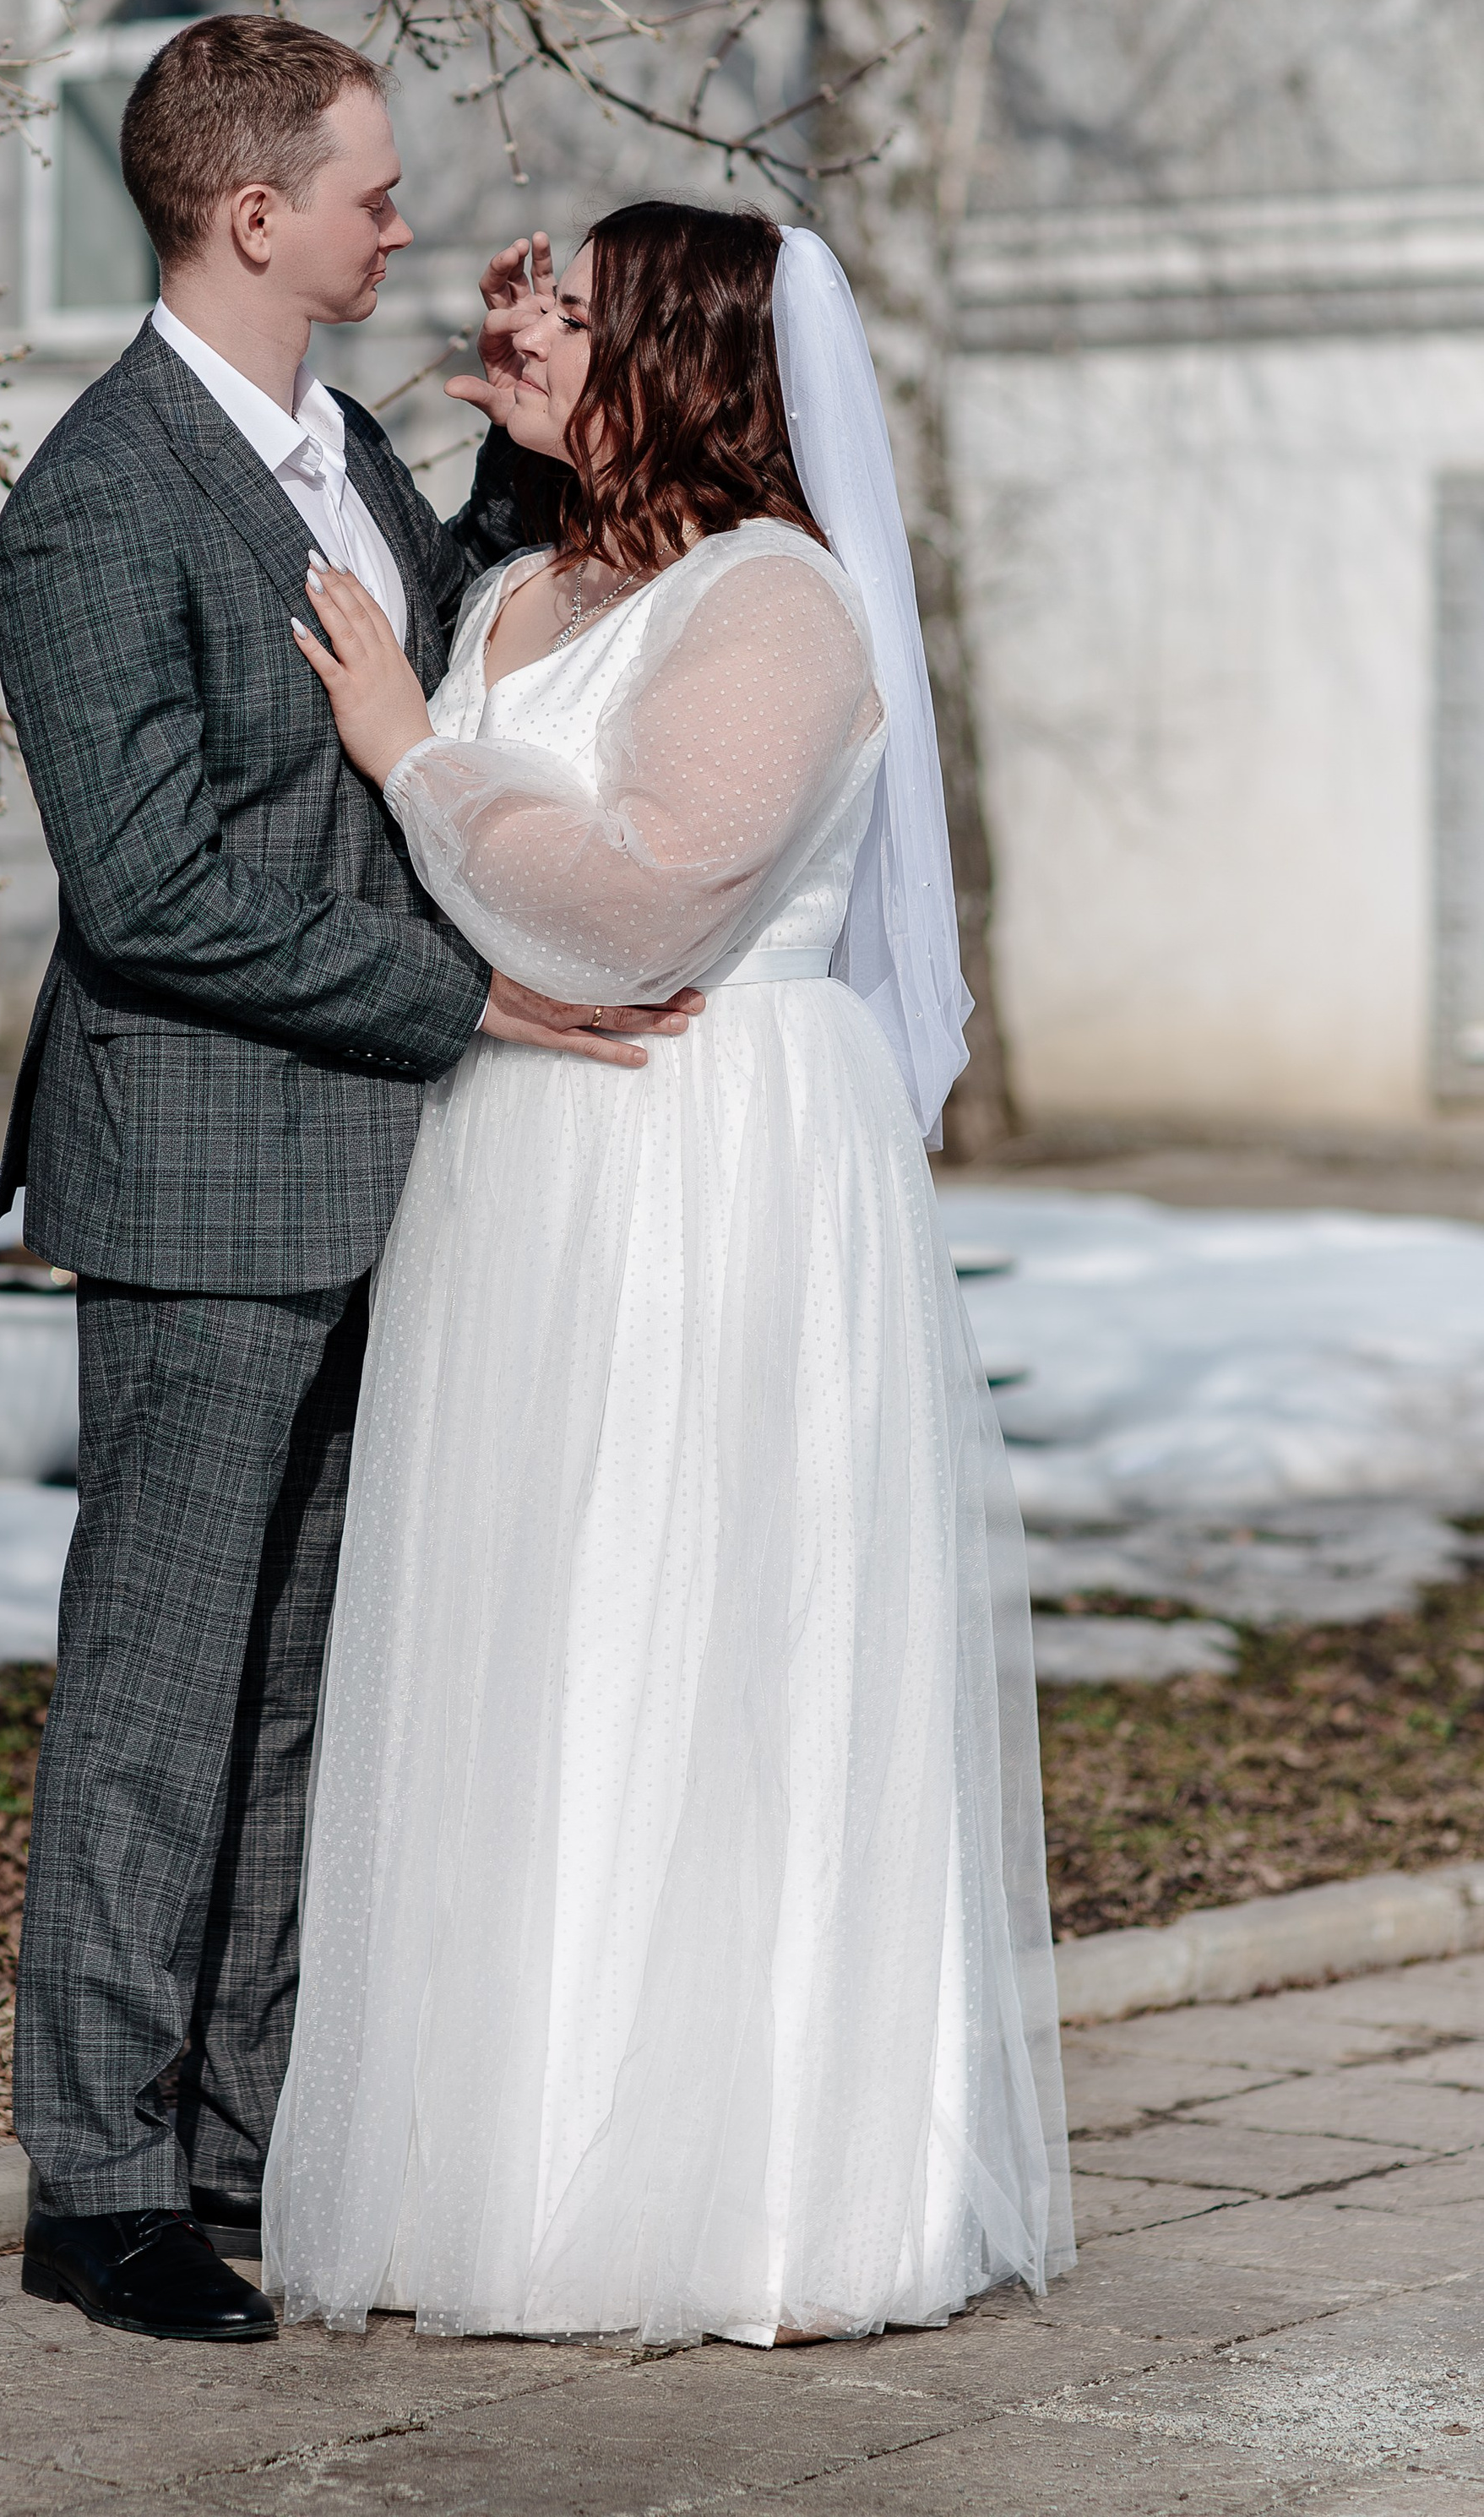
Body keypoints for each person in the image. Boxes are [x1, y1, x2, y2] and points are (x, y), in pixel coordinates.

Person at [268, 200, 1074, 2346]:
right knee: (519, 1637)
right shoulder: (518, 580)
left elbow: (639, 906)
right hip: (524, 1158)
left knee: (695, 1622)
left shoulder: (778, 606)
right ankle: (510, 2173)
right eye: (508, 289)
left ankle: (755, 2196)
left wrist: (404, 749)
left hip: (709, 1157)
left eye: (555, 301)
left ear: (683, 352)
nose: (499, 316)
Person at [0, 19, 702, 2345]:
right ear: (252, 213)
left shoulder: (346, 463)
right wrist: (471, 1008)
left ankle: (240, 2131)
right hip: (206, 1170)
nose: (413, 230)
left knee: (305, 1684)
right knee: (159, 1682)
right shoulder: (98, 498)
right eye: (379, 198)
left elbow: (430, 714)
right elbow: (156, 888)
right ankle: (97, 2186)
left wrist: (521, 418)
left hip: (387, 1177)